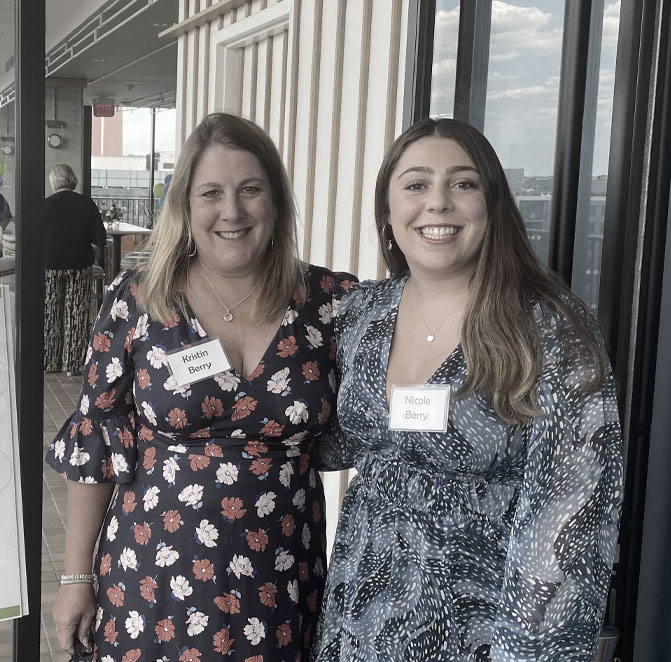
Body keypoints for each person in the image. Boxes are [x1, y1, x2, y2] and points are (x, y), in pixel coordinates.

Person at [46, 113, 356, 661]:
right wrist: (75, 577)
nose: (231, 211)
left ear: (277, 201)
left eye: (250, 189)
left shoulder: (333, 303)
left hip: (280, 583)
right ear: (185, 207)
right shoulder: (139, 298)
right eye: (211, 192)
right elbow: (97, 443)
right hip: (153, 578)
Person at [312, 118, 622, 661]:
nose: (438, 203)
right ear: (388, 210)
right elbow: (330, 443)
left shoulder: (549, 330)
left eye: (463, 183)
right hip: (355, 620)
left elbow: (570, 522)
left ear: (492, 204)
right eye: (415, 184)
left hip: (478, 636)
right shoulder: (363, 311)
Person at [43, 163, 106, 374]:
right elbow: (100, 238)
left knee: (51, 312)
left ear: (53, 181)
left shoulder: (45, 205)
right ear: (72, 179)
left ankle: (50, 362)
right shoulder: (86, 204)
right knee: (76, 314)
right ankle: (73, 364)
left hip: (50, 263)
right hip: (79, 263)